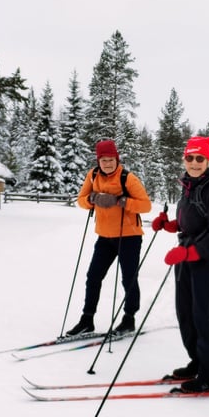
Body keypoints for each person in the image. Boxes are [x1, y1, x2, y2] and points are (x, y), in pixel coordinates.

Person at [152, 135, 209, 393]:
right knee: (185, 312)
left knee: (204, 316)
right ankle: (198, 362)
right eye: (190, 158)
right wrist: (170, 225)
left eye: (200, 158)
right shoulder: (190, 184)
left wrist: (189, 253)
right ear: (184, 159)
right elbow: (193, 222)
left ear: (208, 160)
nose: (195, 162)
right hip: (188, 254)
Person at [66, 139, 152, 336]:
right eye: (104, 160)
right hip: (104, 237)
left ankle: (129, 318)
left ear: (117, 158)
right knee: (93, 276)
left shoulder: (127, 178)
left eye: (111, 159)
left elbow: (146, 205)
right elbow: (81, 200)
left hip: (129, 236)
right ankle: (87, 320)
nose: (107, 164)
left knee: (128, 278)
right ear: (98, 161)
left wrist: (122, 201)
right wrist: (93, 199)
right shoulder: (93, 175)